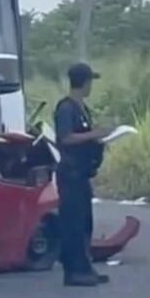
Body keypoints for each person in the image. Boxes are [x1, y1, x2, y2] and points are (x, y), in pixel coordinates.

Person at [53, 63, 113, 287]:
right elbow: (65, 138)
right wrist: (94, 134)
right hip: (70, 173)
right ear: (85, 82)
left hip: (82, 173)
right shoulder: (66, 108)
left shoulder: (82, 108)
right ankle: (74, 271)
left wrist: (98, 137)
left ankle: (85, 267)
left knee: (85, 223)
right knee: (73, 224)